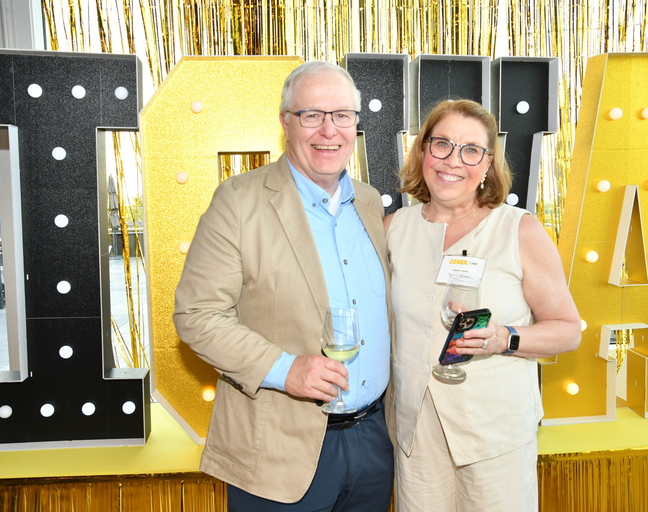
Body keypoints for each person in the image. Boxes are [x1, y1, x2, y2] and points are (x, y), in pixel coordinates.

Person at [173, 60, 394, 511]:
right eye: (311, 115)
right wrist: (284, 368)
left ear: (356, 124)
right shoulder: (238, 201)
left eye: (342, 116)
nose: (328, 130)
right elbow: (197, 315)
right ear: (285, 122)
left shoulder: (370, 203)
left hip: (374, 441)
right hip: (277, 452)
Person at [384, 99, 581, 511]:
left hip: (495, 434)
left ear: (488, 164)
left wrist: (503, 339)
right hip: (416, 433)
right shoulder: (395, 228)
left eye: (471, 149)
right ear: (423, 151)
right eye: (441, 144)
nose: (453, 160)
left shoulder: (518, 229)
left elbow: (567, 329)